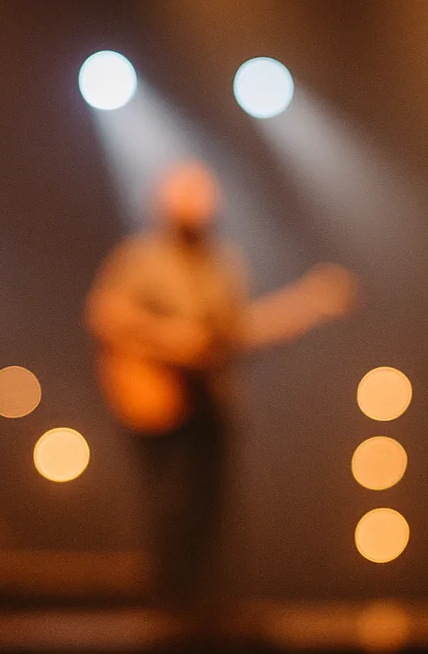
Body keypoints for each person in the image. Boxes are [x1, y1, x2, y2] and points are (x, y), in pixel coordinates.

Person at [85, 162, 356, 619]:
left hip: (211, 405)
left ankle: (201, 613)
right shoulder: (141, 257)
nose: (198, 206)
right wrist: (169, 339)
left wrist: (306, 305)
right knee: (167, 509)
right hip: (154, 404)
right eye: (187, 196)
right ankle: (166, 612)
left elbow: (233, 332)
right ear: (163, 204)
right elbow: (104, 316)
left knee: (209, 512)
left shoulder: (223, 262)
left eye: (204, 196)